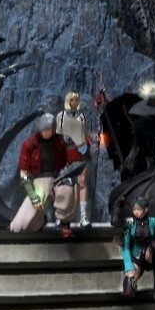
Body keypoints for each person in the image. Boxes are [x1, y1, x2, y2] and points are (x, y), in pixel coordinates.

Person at [11, 114, 81, 237]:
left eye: (49, 129)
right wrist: (33, 195)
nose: (46, 132)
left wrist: (71, 145)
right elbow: (24, 173)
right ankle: (39, 220)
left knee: (68, 188)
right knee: (18, 226)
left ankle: (64, 223)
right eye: (44, 130)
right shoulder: (29, 144)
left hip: (58, 179)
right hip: (39, 182)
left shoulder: (60, 141)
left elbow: (72, 160)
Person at [119, 196, 155, 301]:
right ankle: (132, 283)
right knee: (128, 290)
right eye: (134, 209)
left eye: (139, 209)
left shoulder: (153, 222)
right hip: (136, 257)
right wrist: (129, 266)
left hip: (149, 256)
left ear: (146, 209)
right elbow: (126, 247)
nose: (136, 212)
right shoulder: (129, 222)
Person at [55, 91, 93, 227]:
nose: (74, 103)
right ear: (67, 101)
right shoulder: (61, 116)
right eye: (72, 100)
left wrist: (90, 140)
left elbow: (84, 133)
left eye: (76, 100)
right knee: (64, 183)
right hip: (66, 152)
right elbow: (59, 136)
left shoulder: (81, 116)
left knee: (82, 182)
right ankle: (61, 216)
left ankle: (83, 216)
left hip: (81, 150)